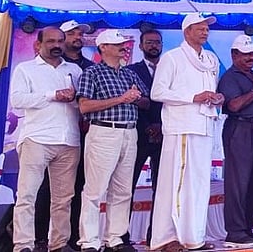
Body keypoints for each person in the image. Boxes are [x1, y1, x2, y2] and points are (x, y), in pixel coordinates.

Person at [149, 14, 224, 252]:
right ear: (186, 32)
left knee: (199, 184)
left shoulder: (210, 59)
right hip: (182, 127)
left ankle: (193, 237)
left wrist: (216, 98)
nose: (204, 32)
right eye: (199, 28)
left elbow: (209, 91)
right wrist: (193, 97)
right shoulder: (172, 58)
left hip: (204, 125)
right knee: (177, 184)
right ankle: (169, 238)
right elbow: (157, 92)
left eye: (206, 29)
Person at [10, 26, 83, 252]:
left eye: (60, 41)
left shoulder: (74, 70)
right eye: (50, 41)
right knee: (27, 195)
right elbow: (18, 100)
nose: (56, 45)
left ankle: (59, 244)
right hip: (37, 139)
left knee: (64, 199)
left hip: (69, 140)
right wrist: (53, 95)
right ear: (38, 45)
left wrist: (73, 99)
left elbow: (81, 104)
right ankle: (23, 244)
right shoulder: (26, 69)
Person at [76, 29, 149, 252]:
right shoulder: (92, 73)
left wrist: (136, 99)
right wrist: (122, 98)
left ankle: (115, 238)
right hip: (104, 132)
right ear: (103, 48)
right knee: (95, 189)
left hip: (129, 132)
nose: (123, 47)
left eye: (124, 44)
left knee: (123, 189)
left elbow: (146, 102)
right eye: (117, 44)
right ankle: (89, 240)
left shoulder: (129, 74)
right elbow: (84, 106)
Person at [218, 35, 253, 247]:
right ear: (234, 55)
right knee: (238, 182)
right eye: (246, 54)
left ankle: (247, 229)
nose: (251, 58)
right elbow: (233, 106)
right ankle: (235, 232)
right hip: (240, 129)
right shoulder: (229, 78)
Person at [122, 29, 164, 245]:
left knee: (162, 188)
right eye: (149, 42)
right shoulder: (130, 71)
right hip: (138, 135)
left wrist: (161, 125)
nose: (154, 46)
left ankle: (155, 236)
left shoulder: (170, 68)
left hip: (166, 136)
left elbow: (170, 101)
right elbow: (132, 102)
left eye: (157, 42)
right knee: (126, 187)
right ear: (140, 46)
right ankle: (121, 237)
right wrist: (148, 126)